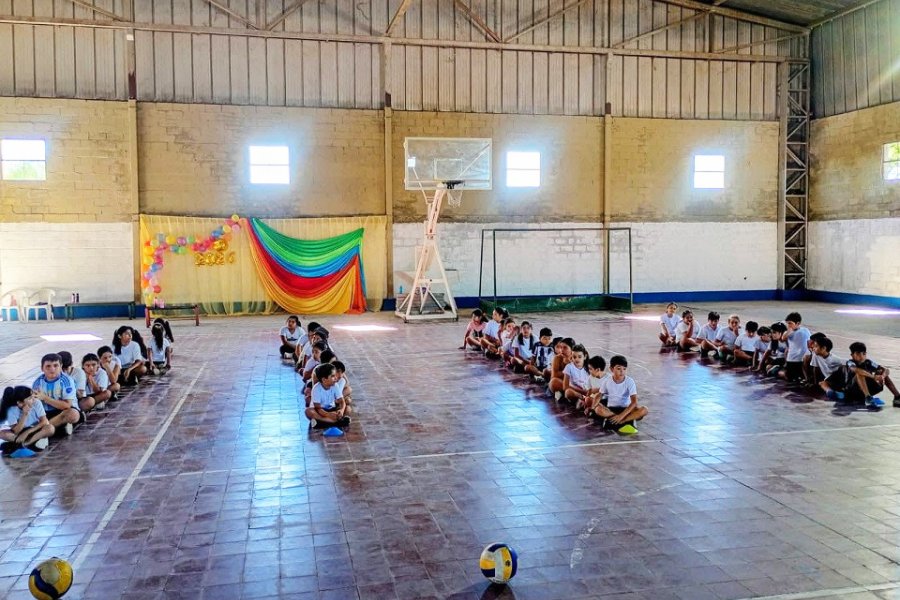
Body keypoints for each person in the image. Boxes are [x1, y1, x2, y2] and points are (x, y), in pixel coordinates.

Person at [590, 355, 648, 435]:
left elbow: (634, 402)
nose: (622, 371)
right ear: (611, 369)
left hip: (626, 409)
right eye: (618, 368)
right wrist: (593, 407)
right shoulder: (607, 381)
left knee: (644, 410)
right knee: (598, 409)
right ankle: (615, 418)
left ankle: (621, 421)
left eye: (624, 369)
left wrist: (621, 416)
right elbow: (599, 395)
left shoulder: (630, 381)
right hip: (612, 410)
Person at [32, 353, 81, 435]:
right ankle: (56, 428)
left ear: (61, 366)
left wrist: (45, 398)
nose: (52, 369)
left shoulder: (67, 380)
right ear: (42, 368)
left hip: (63, 411)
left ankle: (39, 431)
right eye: (48, 366)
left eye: (55, 366)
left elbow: (66, 405)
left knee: (73, 414)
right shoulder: (38, 382)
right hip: (47, 413)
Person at [0, 386, 55, 453]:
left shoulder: (37, 403)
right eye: (30, 398)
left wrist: (28, 432)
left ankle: (23, 444)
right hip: (20, 433)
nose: (33, 400)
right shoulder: (12, 410)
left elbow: (44, 421)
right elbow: (16, 431)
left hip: (36, 429)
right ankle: (31, 442)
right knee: (2, 433)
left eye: (32, 397)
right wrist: (24, 414)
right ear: (19, 403)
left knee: (50, 428)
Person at [845, 342, 897, 408]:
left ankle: (897, 397)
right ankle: (868, 398)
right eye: (858, 354)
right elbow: (856, 370)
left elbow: (885, 370)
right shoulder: (850, 362)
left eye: (863, 353)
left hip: (866, 389)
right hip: (852, 390)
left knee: (881, 371)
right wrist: (873, 377)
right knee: (860, 373)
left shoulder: (868, 362)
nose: (861, 356)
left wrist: (882, 376)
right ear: (852, 355)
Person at [305, 363, 351, 429]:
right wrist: (328, 414)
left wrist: (341, 410)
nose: (336, 378)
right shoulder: (316, 389)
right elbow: (318, 408)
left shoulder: (335, 385)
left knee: (348, 409)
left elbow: (341, 401)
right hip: (321, 411)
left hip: (332, 409)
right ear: (324, 379)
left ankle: (323, 423)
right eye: (333, 376)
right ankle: (335, 422)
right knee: (308, 411)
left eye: (335, 375)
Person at [805, 337, 849, 402]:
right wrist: (815, 383)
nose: (813, 348)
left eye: (816, 346)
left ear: (824, 348)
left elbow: (847, 363)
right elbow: (815, 369)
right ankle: (830, 391)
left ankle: (840, 390)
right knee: (821, 383)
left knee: (842, 368)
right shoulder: (815, 355)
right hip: (829, 379)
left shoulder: (834, 359)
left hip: (838, 378)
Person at [779, 312, 811, 382]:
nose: (788, 325)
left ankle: (805, 378)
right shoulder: (788, 332)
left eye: (790, 323)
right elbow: (783, 338)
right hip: (792, 359)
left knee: (801, 374)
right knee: (789, 377)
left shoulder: (805, 330)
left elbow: (809, 343)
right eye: (787, 323)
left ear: (798, 323)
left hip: (802, 359)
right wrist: (789, 330)